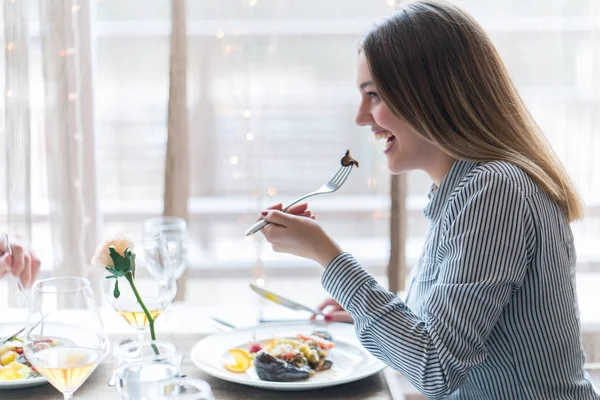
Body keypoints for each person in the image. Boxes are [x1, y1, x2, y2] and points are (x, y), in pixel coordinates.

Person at [257, 1, 600, 398]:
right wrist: (367, 314)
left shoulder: (495, 190)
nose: (361, 117)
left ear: (430, 95)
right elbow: (456, 322)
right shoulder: (463, 188)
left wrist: (328, 257)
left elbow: (435, 367)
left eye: (375, 95)